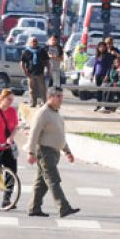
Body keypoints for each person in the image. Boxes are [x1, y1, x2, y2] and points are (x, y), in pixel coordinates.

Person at [26, 87, 79, 218]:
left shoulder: (55, 113)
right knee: (53, 179)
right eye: (58, 96)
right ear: (50, 97)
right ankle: (63, 207)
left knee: (42, 182)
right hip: (45, 151)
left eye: (62, 96)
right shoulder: (43, 112)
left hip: (54, 152)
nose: (61, 99)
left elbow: (59, 135)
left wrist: (67, 151)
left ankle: (34, 208)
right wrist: (31, 152)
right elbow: (34, 133)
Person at [0, 89, 20, 209]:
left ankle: (7, 199)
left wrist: (11, 138)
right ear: (2, 98)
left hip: (7, 146)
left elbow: (16, 126)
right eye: (8, 99)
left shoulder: (12, 111)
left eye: (12, 100)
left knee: (12, 171)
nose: (10, 102)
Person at [20, 37, 50, 106]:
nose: (35, 42)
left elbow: (47, 62)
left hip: (40, 73)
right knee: (32, 89)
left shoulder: (42, 51)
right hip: (30, 73)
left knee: (42, 88)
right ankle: (33, 102)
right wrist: (24, 71)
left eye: (36, 41)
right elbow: (22, 62)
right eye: (33, 41)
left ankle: (44, 102)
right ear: (30, 42)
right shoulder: (26, 51)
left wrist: (48, 71)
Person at [92, 41, 114, 111]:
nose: (101, 48)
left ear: (105, 47)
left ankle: (104, 106)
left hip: (104, 75)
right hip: (97, 75)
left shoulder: (108, 55)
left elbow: (109, 67)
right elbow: (95, 66)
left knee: (104, 91)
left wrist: (107, 75)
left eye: (103, 47)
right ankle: (98, 105)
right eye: (100, 47)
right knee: (98, 91)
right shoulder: (97, 55)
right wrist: (92, 74)